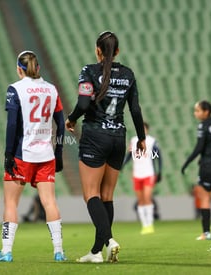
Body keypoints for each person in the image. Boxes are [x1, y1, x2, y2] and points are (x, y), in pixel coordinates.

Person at [65, 31, 146, 263]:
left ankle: (109, 241)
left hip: (95, 137)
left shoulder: (88, 71)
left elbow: (82, 103)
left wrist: (71, 119)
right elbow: (136, 110)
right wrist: (141, 138)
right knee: (107, 195)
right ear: (117, 51)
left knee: (91, 194)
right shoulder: (128, 74)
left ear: (98, 50)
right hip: (118, 139)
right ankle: (96, 252)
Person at [0, 50, 67, 263]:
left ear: (19, 69)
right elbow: (60, 123)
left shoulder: (15, 89)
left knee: (11, 203)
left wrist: (8, 154)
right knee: (49, 202)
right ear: (38, 68)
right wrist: (58, 153)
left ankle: (6, 251)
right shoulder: (51, 89)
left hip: (23, 154)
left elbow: (12, 124)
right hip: (46, 155)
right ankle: (59, 251)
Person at [181, 100, 211, 240]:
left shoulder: (203, 125)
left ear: (206, 112)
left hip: (208, 166)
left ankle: (206, 232)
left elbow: (199, 147)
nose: (195, 113)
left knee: (205, 198)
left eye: (197, 111)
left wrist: (187, 162)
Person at [123, 122, 162, 234]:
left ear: (147, 130)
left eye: (144, 128)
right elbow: (129, 156)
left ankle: (150, 224)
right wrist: (122, 166)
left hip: (148, 173)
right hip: (137, 174)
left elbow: (159, 157)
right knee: (140, 200)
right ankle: (144, 225)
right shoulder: (133, 140)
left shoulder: (151, 141)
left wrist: (159, 171)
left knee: (147, 198)